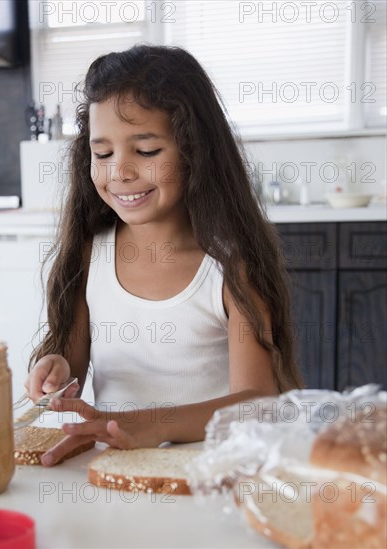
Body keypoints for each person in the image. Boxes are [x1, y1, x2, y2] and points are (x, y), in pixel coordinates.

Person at [24, 44, 303, 466]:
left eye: (147, 151)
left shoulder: (229, 266)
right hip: (116, 469)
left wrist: (156, 423)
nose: (120, 171)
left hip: (209, 473)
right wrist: (54, 369)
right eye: (103, 154)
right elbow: (72, 368)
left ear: (195, 152)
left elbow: (258, 402)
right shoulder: (90, 254)